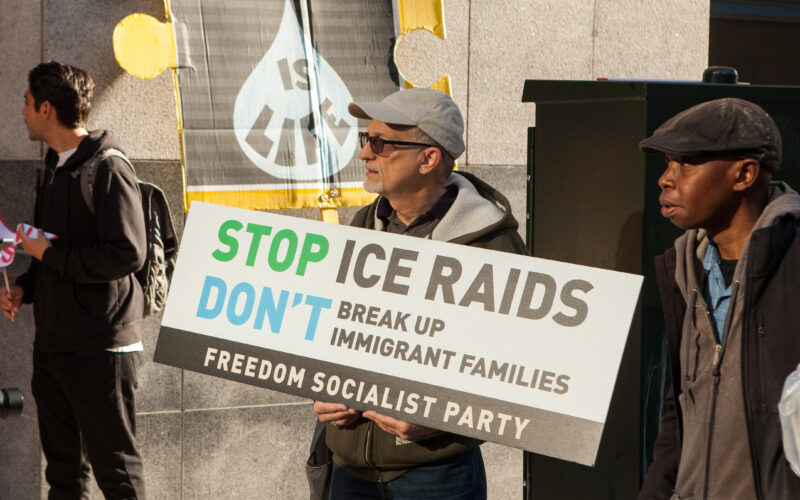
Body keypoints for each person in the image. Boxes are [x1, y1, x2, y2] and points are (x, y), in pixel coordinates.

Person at [312, 88, 527, 499]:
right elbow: (330, 331)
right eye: (366, 139)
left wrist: (440, 421)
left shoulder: (492, 245)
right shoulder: (360, 226)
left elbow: (517, 374)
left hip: (437, 476)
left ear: (428, 159)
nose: (364, 154)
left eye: (380, 143)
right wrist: (322, 389)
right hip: (348, 470)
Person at [637, 98, 800, 499]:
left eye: (687, 164)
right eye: (668, 164)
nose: (666, 179)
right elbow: (680, 410)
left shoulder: (793, 263)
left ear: (744, 174)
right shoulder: (682, 269)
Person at [0, 61, 147, 499]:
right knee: (64, 477)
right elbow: (51, 250)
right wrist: (24, 288)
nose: (22, 112)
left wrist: (50, 256)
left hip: (101, 347)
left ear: (47, 109)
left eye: (27, 102)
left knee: (117, 474)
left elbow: (127, 253)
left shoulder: (108, 168)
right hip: (53, 345)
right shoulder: (51, 167)